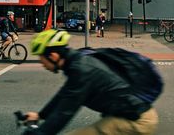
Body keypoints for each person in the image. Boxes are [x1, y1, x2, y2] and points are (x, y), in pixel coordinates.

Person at [24, 29, 158, 135]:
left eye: (42, 60)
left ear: (53, 56)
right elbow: (64, 94)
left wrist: (40, 132)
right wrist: (41, 115)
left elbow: (64, 112)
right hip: (129, 114)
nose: (42, 65)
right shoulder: (77, 61)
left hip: (137, 120)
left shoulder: (81, 70)